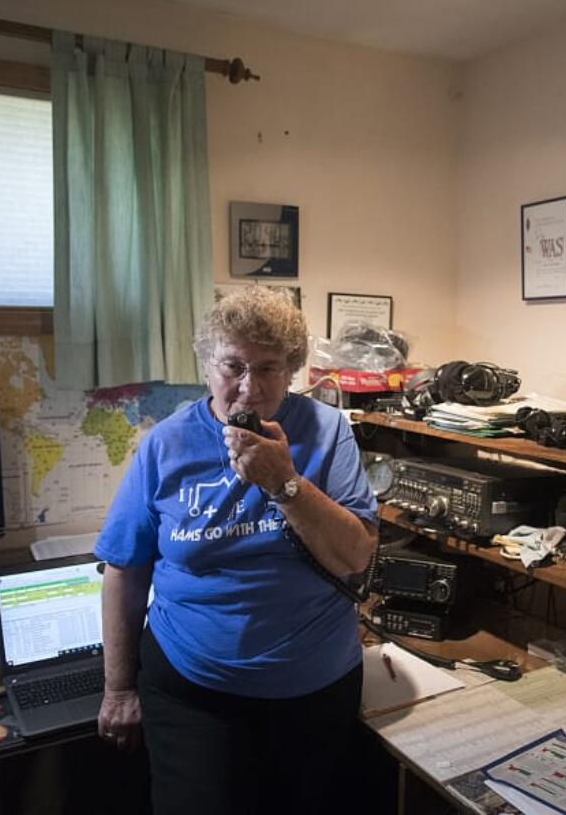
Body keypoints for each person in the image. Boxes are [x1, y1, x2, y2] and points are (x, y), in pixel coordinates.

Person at [93, 286, 379, 815]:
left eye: (269, 368)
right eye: (233, 366)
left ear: (292, 370)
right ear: (207, 365)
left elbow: (355, 556)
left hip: (315, 687)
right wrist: (117, 689)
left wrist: (284, 482)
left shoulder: (327, 430)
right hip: (194, 688)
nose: (249, 388)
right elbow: (124, 571)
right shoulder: (166, 444)